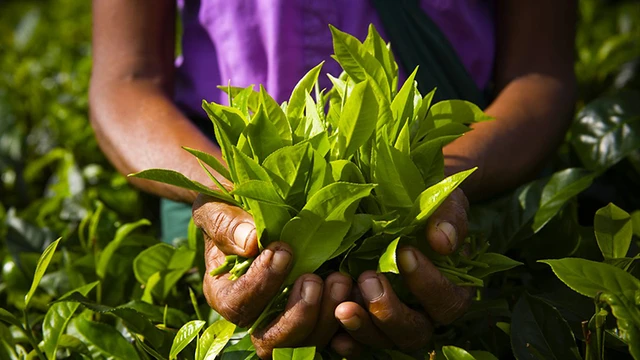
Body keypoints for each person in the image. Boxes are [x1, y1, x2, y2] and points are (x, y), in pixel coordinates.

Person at [90, 0, 577, 358]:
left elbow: (540, 74)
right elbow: (124, 82)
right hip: (219, 175)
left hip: (473, 175)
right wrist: (226, 201)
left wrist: (442, 187)